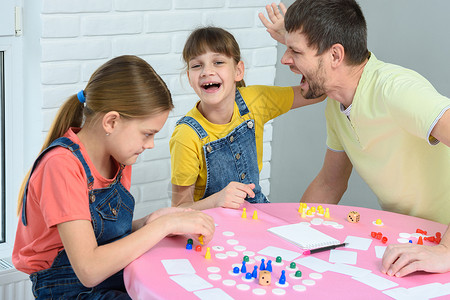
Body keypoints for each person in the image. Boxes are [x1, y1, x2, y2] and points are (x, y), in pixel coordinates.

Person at [259, 1, 450, 277]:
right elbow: (330, 183)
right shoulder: (337, 107)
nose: (285, 59)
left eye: (295, 51)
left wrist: (446, 251)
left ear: (335, 55)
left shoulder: (396, 89)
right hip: (418, 240)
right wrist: (289, 234)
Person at [13, 55, 215, 299]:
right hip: (67, 288)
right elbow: (89, 268)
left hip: (108, 274)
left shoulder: (119, 158)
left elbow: (97, 234)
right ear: (111, 122)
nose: (150, 144)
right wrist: (165, 226)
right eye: (146, 133)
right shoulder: (61, 166)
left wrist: (149, 221)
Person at [170, 26, 325, 210]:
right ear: (189, 77)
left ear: (238, 71)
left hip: (255, 215)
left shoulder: (255, 101)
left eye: (218, 62)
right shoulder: (186, 136)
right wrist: (216, 200)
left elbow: (318, 91)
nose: (206, 71)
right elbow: (179, 210)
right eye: (197, 65)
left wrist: (294, 46)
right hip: (211, 227)